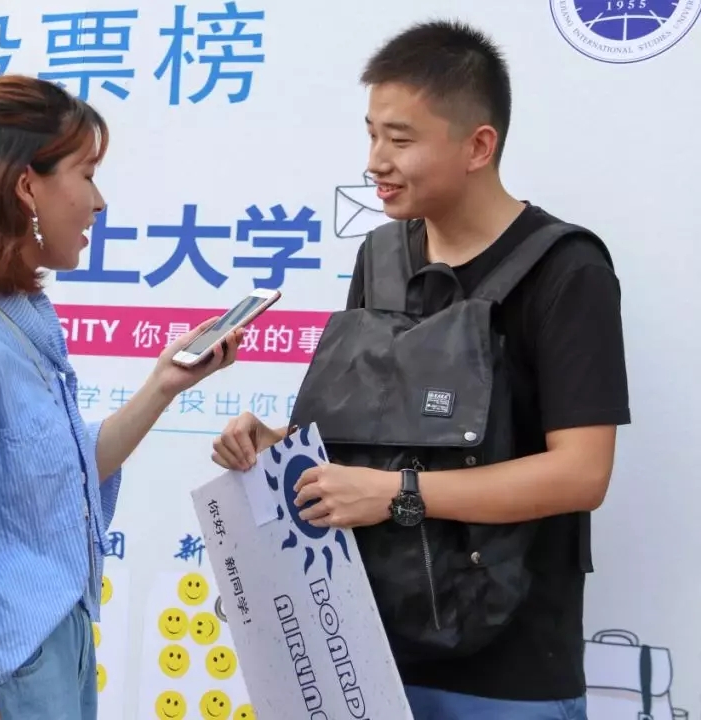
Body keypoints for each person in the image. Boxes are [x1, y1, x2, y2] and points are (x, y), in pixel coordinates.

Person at [211, 20, 628, 720]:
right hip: (356, 651)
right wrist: (279, 449)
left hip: (508, 674)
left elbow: (582, 474)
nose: (376, 161)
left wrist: (399, 494)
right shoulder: (379, 258)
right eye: (372, 134)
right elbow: (374, 436)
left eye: (400, 140)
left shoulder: (568, 271)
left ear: (478, 146)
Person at [0, 75, 242, 720]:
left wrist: (163, 384)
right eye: (86, 174)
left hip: (36, 667)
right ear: (26, 186)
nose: (98, 202)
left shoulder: (6, 322)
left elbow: (61, 476)